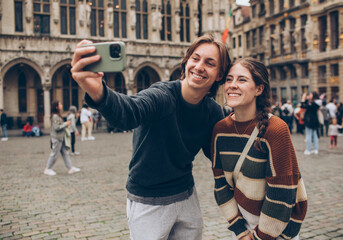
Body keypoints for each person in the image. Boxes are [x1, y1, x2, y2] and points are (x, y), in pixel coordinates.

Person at [70, 34, 230, 240]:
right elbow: (128, 112)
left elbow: (221, 156)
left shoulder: (212, 111)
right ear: (186, 62)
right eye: (195, 58)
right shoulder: (162, 96)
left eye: (210, 63)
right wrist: (98, 90)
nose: (199, 66)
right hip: (148, 200)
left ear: (219, 75)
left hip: (186, 196)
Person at [211, 57, 307, 240]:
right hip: (242, 229)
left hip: (276, 230)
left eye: (242, 80)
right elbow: (220, 184)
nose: (232, 85)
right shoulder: (220, 130)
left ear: (259, 89)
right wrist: (240, 230)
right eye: (229, 79)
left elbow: (281, 192)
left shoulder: (276, 129)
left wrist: (259, 237)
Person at [44, 101, 81, 176]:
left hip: (61, 137)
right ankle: (47, 169)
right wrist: (65, 124)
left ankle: (70, 168)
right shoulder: (55, 116)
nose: (61, 105)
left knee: (65, 153)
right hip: (57, 138)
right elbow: (56, 127)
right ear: (56, 107)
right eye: (60, 104)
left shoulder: (58, 116)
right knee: (54, 154)